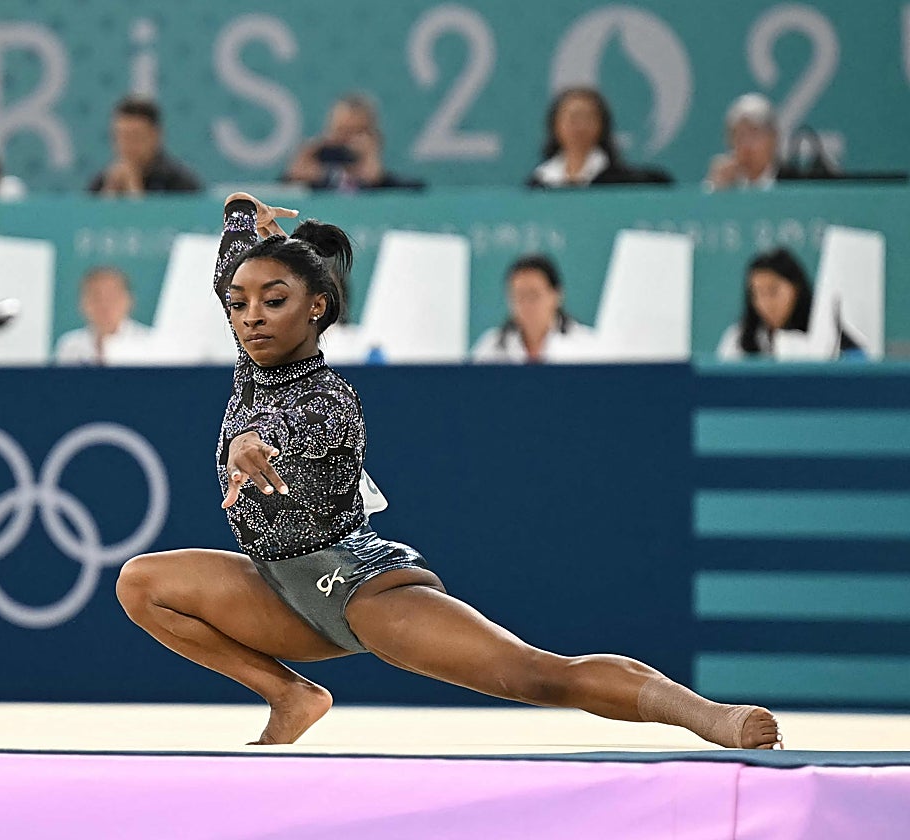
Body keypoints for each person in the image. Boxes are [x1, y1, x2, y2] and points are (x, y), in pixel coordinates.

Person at [115, 191, 782, 750]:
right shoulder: (249, 362)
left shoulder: (330, 398)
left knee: (536, 675)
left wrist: (247, 444)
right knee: (142, 583)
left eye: (273, 300)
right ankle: (290, 693)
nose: (250, 316)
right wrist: (240, 214)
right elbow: (231, 271)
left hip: (358, 589)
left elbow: (289, 428)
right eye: (239, 304)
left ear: (316, 305)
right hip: (279, 588)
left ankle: (710, 716)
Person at [716, 247, 859, 359]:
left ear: (796, 288)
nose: (765, 303)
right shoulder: (737, 339)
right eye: (757, 293)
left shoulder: (827, 334)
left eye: (773, 291)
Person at [526, 88, 672, 189]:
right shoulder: (538, 183)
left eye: (587, 117)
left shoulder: (624, 182)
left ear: (602, 125)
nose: (579, 126)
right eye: (572, 118)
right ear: (555, 125)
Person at [283, 93, 424, 192]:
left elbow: (374, 178)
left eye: (357, 132)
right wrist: (310, 150)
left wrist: (370, 156)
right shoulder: (318, 173)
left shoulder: (388, 184)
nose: (347, 140)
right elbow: (292, 179)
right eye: (341, 131)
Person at [471, 255, 598, 363]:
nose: (526, 304)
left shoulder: (587, 346)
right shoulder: (490, 347)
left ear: (557, 295)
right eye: (519, 296)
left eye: (533, 295)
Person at [88, 97, 201, 196]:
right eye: (120, 137)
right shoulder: (100, 183)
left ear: (156, 136)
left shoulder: (181, 185)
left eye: (135, 137)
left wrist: (134, 189)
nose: (126, 145)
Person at [54, 266, 153, 365]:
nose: (104, 305)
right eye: (96, 297)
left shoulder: (149, 343)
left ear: (129, 301)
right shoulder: (69, 345)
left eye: (112, 297)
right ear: (82, 303)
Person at [704, 94, 798, 192]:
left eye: (754, 134)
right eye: (739, 136)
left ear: (773, 137)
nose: (746, 144)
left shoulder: (796, 181)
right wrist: (715, 189)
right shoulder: (727, 183)